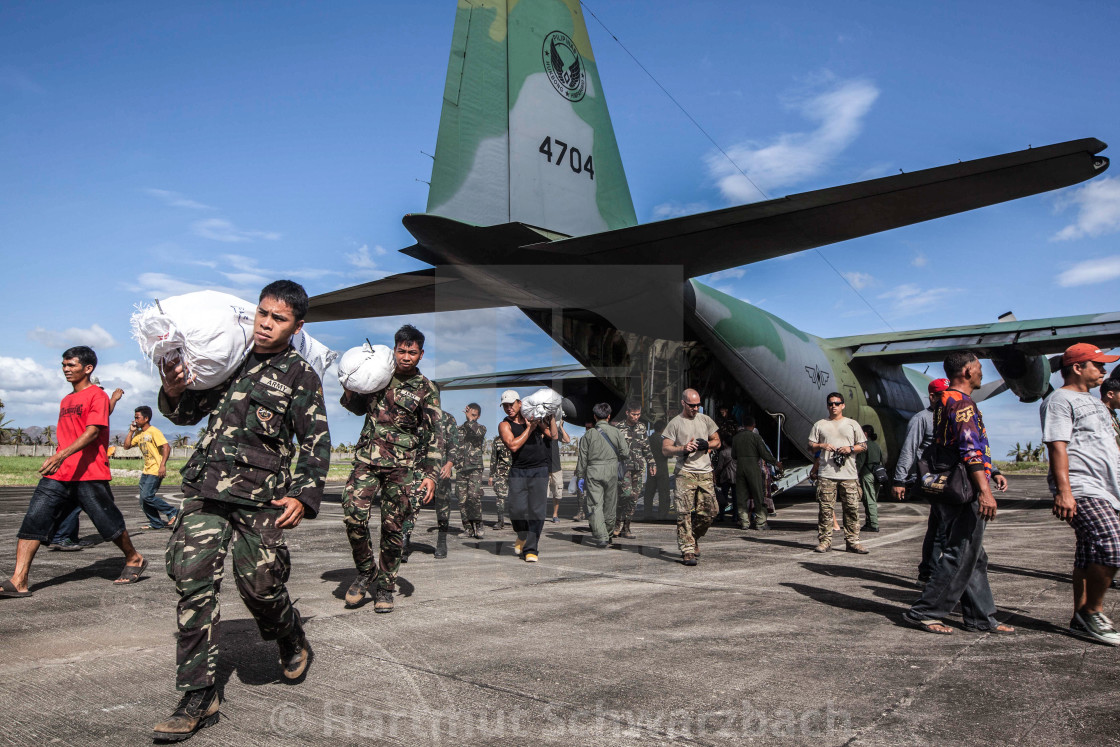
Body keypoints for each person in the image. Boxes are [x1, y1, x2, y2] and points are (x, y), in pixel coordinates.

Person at [152, 281, 330, 740]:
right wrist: (172, 390)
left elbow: (315, 444)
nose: (266, 324)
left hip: (261, 495)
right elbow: (186, 413)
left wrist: (302, 496)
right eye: (262, 314)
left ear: (297, 326)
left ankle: (289, 635)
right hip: (207, 490)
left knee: (260, 588)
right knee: (193, 583)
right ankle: (199, 694)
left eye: (279, 318)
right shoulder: (230, 359)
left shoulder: (300, 376)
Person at [2, 347, 146, 599]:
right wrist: (60, 458)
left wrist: (60, 454)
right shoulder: (66, 400)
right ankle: (19, 580)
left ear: (88, 368)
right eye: (64, 365)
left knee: (107, 523)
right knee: (34, 519)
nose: (66, 369)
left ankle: (133, 557)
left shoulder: (97, 396)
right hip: (59, 473)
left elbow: (92, 432)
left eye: (72, 365)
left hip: (89, 472)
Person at [903, 351, 1014, 635]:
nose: (981, 373)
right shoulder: (962, 403)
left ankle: (980, 617)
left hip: (949, 487)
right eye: (978, 367)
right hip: (965, 488)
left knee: (974, 556)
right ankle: (925, 611)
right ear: (966, 370)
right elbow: (970, 449)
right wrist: (985, 491)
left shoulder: (943, 402)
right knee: (960, 552)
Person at [340, 324, 441, 612]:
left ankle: (385, 587)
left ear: (421, 355)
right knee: (353, 516)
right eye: (401, 351)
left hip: (402, 466)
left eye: (412, 352)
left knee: (393, 527)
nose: (406, 357)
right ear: (394, 350)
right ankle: (365, 570)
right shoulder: (378, 375)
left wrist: (431, 475)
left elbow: (435, 435)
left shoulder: (427, 389)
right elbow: (357, 407)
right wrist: (349, 384)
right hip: (366, 459)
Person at [1041, 343, 1120, 646]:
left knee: (1088, 553)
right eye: (1097, 365)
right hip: (1082, 487)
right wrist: (1064, 492)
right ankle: (1093, 611)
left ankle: (1078, 618)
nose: (1103, 370)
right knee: (1112, 546)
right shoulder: (1059, 400)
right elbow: (1057, 445)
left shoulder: (1098, 403)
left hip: (1107, 488)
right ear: (1077, 367)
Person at [50, 385, 125, 550]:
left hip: (70, 461)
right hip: (85, 463)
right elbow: (100, 419)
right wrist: (113, 399)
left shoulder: (69, 401)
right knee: (95, 504)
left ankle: (63, 536)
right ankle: (63, 537)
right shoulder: (94, 398)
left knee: (70, 502)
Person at [662, 389, 720, 566]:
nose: (695, 408)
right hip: (685, 473)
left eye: (697, 405)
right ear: (683, 403)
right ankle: (687, 550)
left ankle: (692, 537)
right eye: (692, 405)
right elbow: (665, 449)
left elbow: (717, 441)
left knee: (711, 511)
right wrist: (683, 448)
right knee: (684, 513)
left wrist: (707, 444)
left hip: (705, 472)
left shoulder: (705, 420)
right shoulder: (675, 423)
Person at [498, 390, 557, 562]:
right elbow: (513, 446)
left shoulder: (533, 418)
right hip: (518, 471)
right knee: (516, 510)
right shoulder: (505, 425)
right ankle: (522, 535)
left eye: (511, 404)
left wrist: (551, 418)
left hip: (539, 470)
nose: (508, 408)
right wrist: (530, 429)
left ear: (520, 403)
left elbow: (553, 436)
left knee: (537, 511)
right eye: (505, 406)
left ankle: (531, 548)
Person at [807, 393, 869, 554]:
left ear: (843, 405)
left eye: (837, 403)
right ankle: (825, 542)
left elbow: (863, 445)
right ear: (827, 406)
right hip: (827, 473)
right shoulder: (819, 425)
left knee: (852, 509)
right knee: (825, 510)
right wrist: (822, 445)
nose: (833, 406)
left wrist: (850, 449)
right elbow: (810, 446)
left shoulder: (852, 424)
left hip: (848, 475)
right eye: (830, 403)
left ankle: (853, 541)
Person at [576, 403, 629, 547]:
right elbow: (625, 453)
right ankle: (609, 532)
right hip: (612, 470)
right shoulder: (616, 432)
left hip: (593, 471)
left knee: (595, 504)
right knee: (610, 504)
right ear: (609, 416)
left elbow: (582, 458)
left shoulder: (588, 434)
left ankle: (602, 535)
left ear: (595, 416)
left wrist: (580, 476)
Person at [125, 405, 178, 530]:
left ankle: (173, 512)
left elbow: (166, 447)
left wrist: (162, 465)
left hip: (155, 469)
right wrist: (131, 431)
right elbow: (126, 446)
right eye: (135, 418)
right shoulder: (138, 434)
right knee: (143, 500)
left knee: (147, 496)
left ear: (146, 418)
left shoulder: (154, 431)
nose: (135, 420)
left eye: (137, 418)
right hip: (146, 470)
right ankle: (156, 523)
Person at [611, 402, 655, 538]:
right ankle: (617, 523)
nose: (636, 417)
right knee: (625, 495)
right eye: (633, 414)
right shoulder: (618, 428)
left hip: (638, 468)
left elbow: (646, 448)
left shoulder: (642, 428)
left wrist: (652, 463)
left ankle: (627, 527)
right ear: (627, 413)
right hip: (624, 468)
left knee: (634, 498)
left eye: (638, 414)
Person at [732, 415, 780, 530]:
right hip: (753, 467)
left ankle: (744, 522)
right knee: (758, 495)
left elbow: (733, 455)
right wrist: (775, 462)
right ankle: (760, 522)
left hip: (740, 468)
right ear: (754, 425)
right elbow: (764, 453)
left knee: (742, 495)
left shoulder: (736, 438)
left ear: (743, 425)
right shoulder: (756, 437)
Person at [431, 409, 459, 558]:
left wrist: (449, 465)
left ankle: (441, 541)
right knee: (410, 504)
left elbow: (454, 444)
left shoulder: (448, 418)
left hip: (441, 468)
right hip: (419, 468)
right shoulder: (414, 415)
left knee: (443, 504)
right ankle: (405, 540)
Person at [457, 403, 487, 537]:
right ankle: (468, 529)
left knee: (474, 497)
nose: (472, 417)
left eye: (474, 415)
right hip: (461, 468)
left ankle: (479, 523)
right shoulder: (459, 430)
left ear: (478, 416)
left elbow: (478, 434)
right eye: (470, 414)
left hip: (475, 467)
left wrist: (470, 420)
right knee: (462, 500)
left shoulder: (481, 428)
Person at [856, 424, 883, 532]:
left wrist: (854, 474)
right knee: (873, 499)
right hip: (878, 474)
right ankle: (869, 522)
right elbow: (882, 460)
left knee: (869, 499)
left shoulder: (864, 445)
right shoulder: (876, 445)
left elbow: (860, 462)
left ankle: (873, 524)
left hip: (867, 474)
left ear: (865, 434)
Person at [644, 419, 671, 520]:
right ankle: (662, 514)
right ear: (663, 429)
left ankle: (647, 513)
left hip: (651, 467)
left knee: (649, 492)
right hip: (662, 467)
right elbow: (668, 453)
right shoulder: (662, 440)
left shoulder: (649, 439)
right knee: (663, 493)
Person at [547, 418, 571, 523]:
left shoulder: (555, 432)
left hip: (556, 467)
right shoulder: (541, 431)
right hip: (543, 467)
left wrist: (560, 427)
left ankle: (555, 514)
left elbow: (567, 440)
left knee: (558, 493)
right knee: (541, 493)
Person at [489, 435, 512, 530]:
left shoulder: (518, 436)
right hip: (501, 473)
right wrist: (491, 475)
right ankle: (500, 520)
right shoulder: (497, 440)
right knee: (500, 497)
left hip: (516, 472)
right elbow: (494, 458)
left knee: (517, 497)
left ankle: (517, 520)